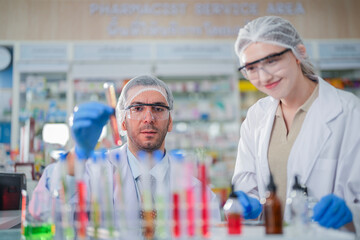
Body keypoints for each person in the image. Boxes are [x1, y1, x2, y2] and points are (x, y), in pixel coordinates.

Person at [31, 75, 221, 238]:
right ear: (122, 122)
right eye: (137, 108)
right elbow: (41, 214)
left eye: (158, 108)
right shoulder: (94, 172)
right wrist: (77, 154)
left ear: (170, 122)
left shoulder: (199, 193)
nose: (149, 118)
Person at [231, 16, 360, 235]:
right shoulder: (256, 116)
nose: (264, 76)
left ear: (299, 52)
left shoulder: (350, 113)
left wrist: (352, 213)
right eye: (251, 68)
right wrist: (247, 203)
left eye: (272, 60)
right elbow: (247, 185)